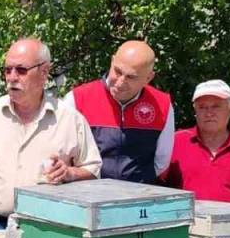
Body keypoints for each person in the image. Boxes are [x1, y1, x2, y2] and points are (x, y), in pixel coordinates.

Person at [0, 38, 102, 229]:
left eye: (21, 70)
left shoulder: (70, 120)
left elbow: (92, 171)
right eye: (7, 70)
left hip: (50, 227)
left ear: (44, 72)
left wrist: (69, 173)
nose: (12, 77)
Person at [62, 40, 174, 183]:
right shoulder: (77, 99)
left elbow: (161, 162)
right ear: (112, 60)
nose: (120, 82)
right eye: (118, 71)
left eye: (131, 77)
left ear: (148, 78)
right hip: (88, 193)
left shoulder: (162, 104)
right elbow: (63, 154)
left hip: (138, 196)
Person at [163, 79, 230, 206]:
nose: (209, 113)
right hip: (185, 222)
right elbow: (158, 187)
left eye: (216, 106)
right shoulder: (175, 142)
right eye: (202, 107)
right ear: (195, 111)